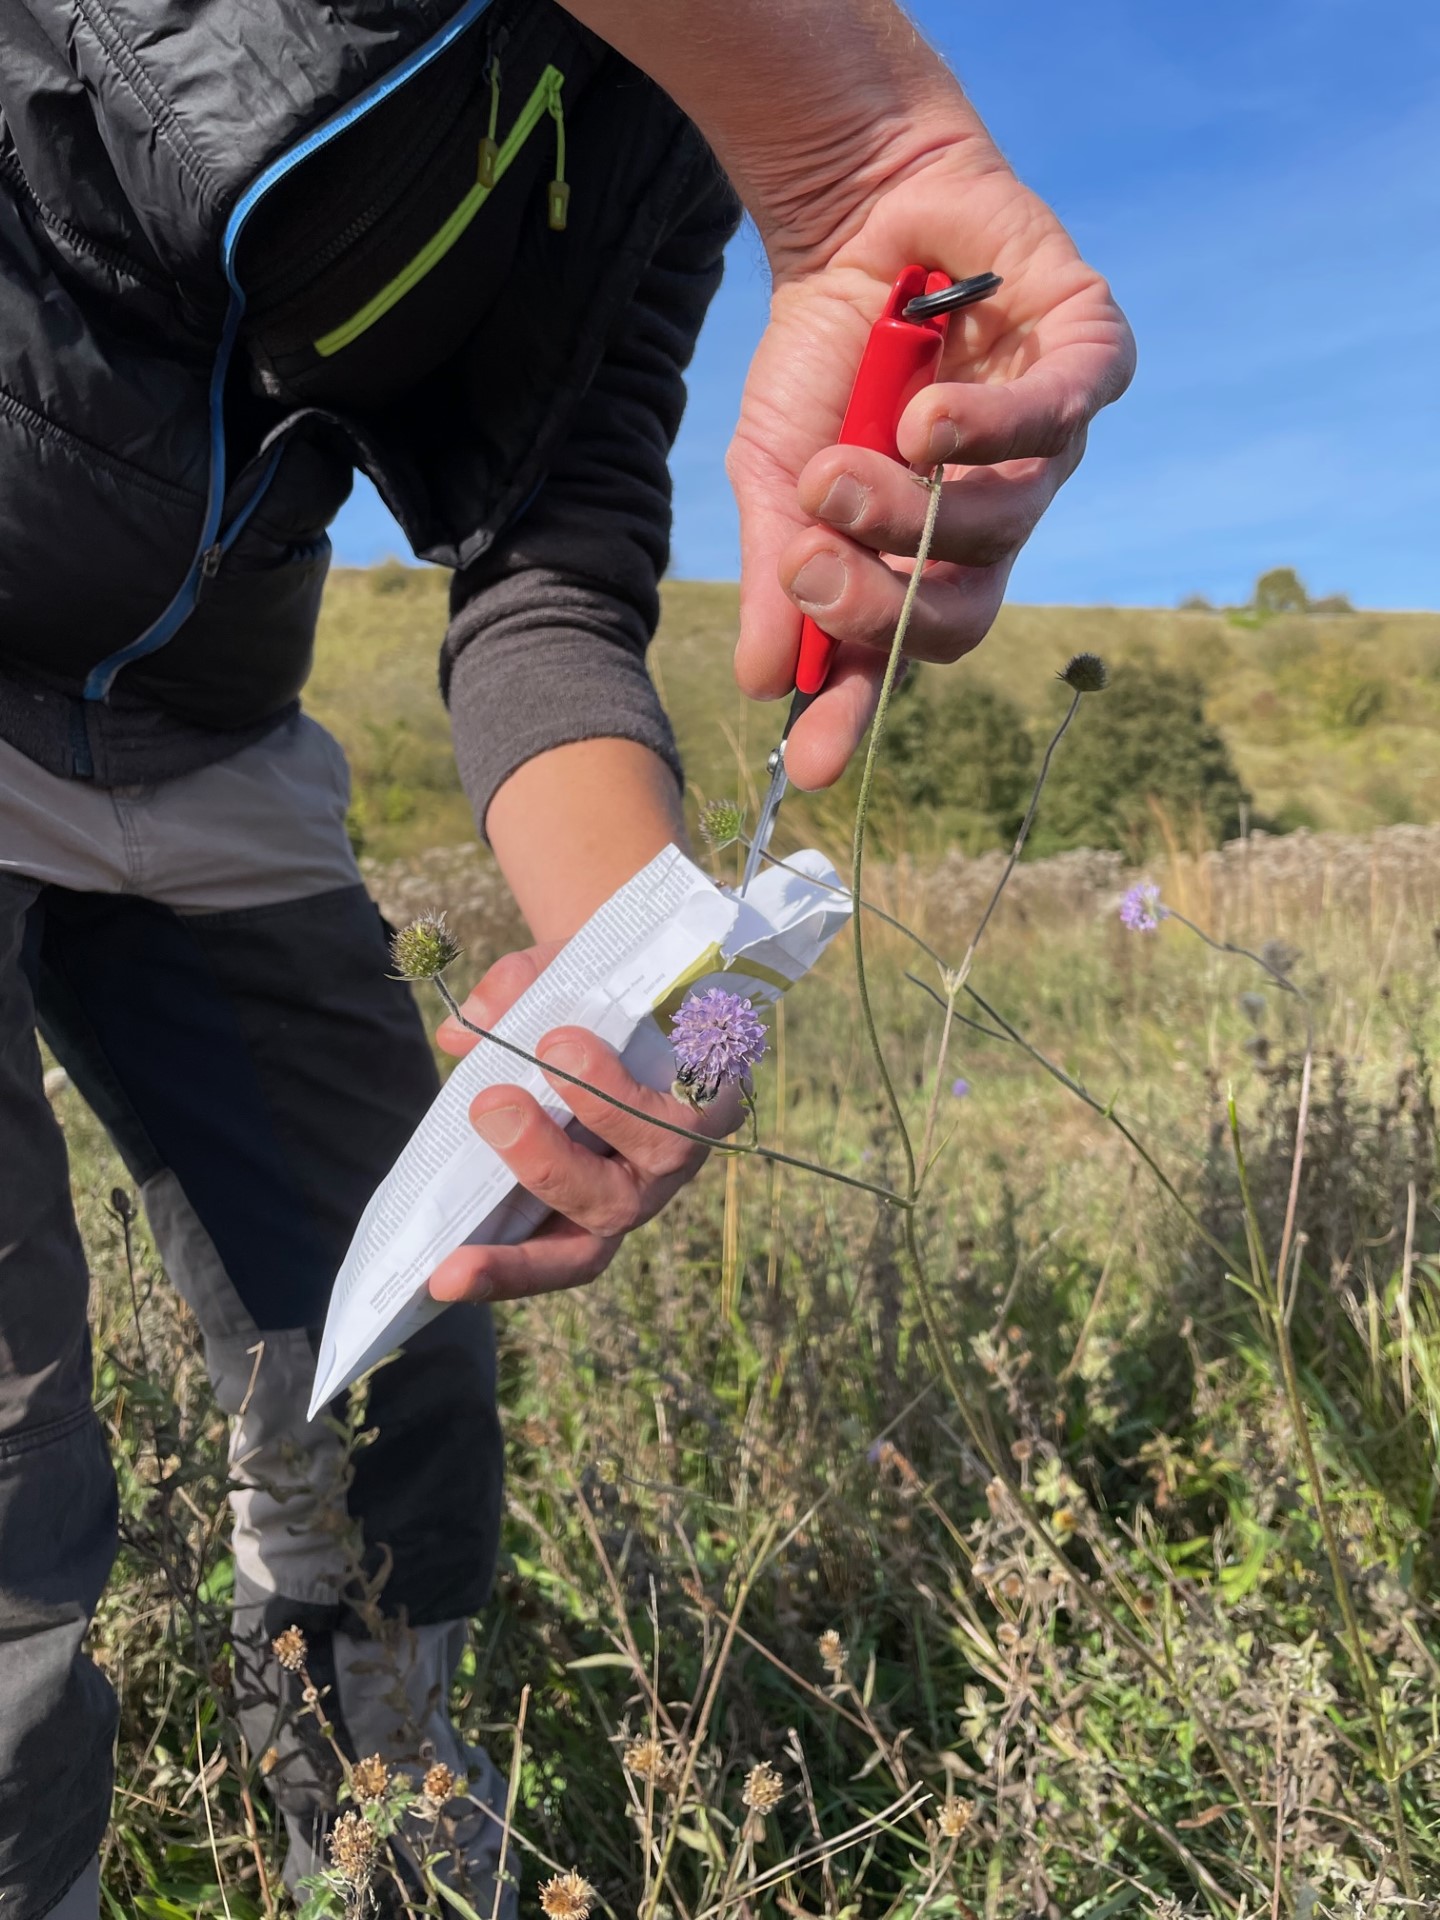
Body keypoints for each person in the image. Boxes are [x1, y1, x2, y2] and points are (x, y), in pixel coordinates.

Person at [0, 0, 1133, 1913]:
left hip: (207, 734)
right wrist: (861, 141)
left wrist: (654, 990)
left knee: (402, 1347)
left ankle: (386, 1852)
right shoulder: (798, 86)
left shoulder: (674, 114)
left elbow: (545, 562)